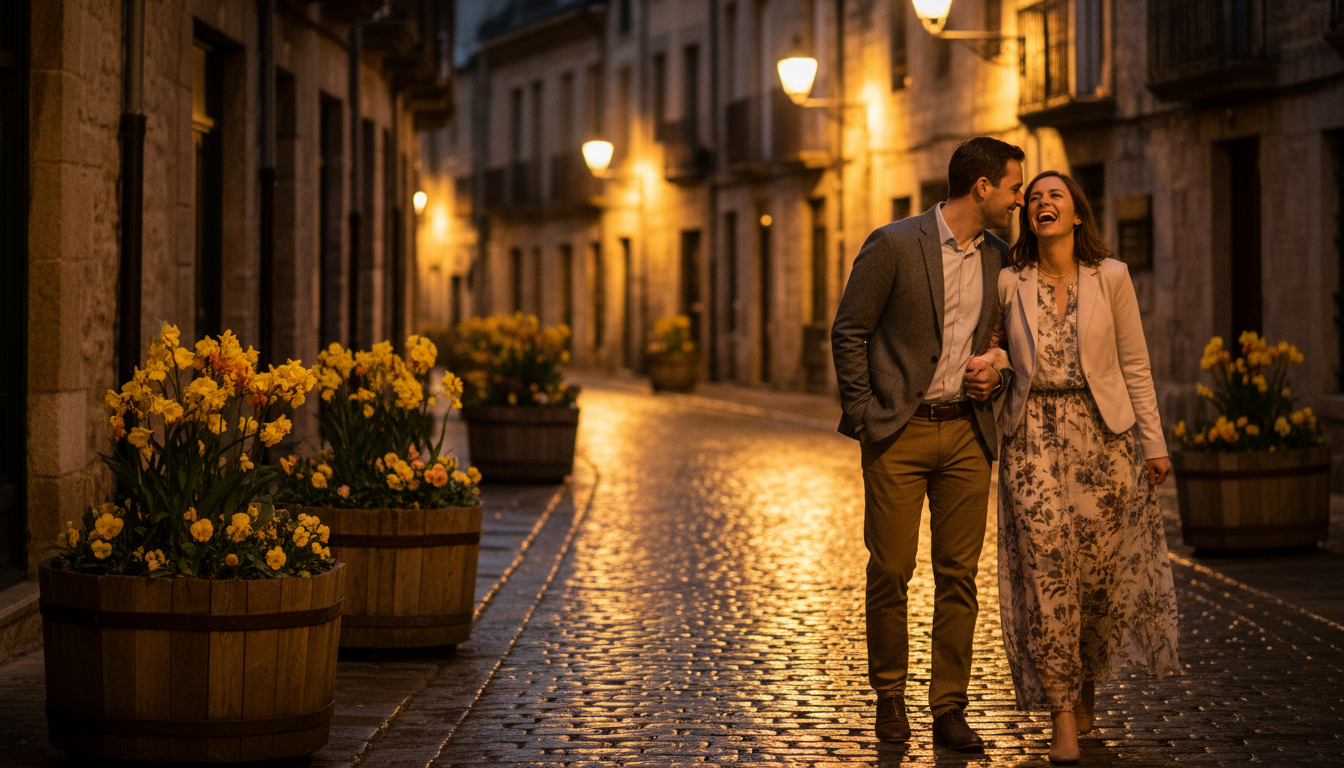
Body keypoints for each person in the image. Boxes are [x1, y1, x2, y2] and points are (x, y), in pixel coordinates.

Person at [831, 136, 1024, 752]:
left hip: (968, 432)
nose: (1019, 200)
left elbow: (1007, 342)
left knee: (958, 576)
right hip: (899, 432)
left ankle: (949, 708)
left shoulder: (1001, 258)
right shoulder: (893, 245)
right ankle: (890, 696)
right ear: (982, 187)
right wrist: (866, 415)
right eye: (1014, 188)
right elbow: (849, 331)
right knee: (890, 570)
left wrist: (995, 371)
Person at [987, 171, 1180, 764]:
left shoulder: (1111, 276)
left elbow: (1135, 364)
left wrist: (1154, 444)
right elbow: (998, 347)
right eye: (1034, 198)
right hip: (1032, 439)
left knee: (1097, 580)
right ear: (1030, 217)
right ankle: (1062, 717)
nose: (1042, 203)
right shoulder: (1010, 280)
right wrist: (993, 363)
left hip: (1103, 440)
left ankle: (1084, 681)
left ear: (1076, 214)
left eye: (1056, 196)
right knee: (1048, 572)